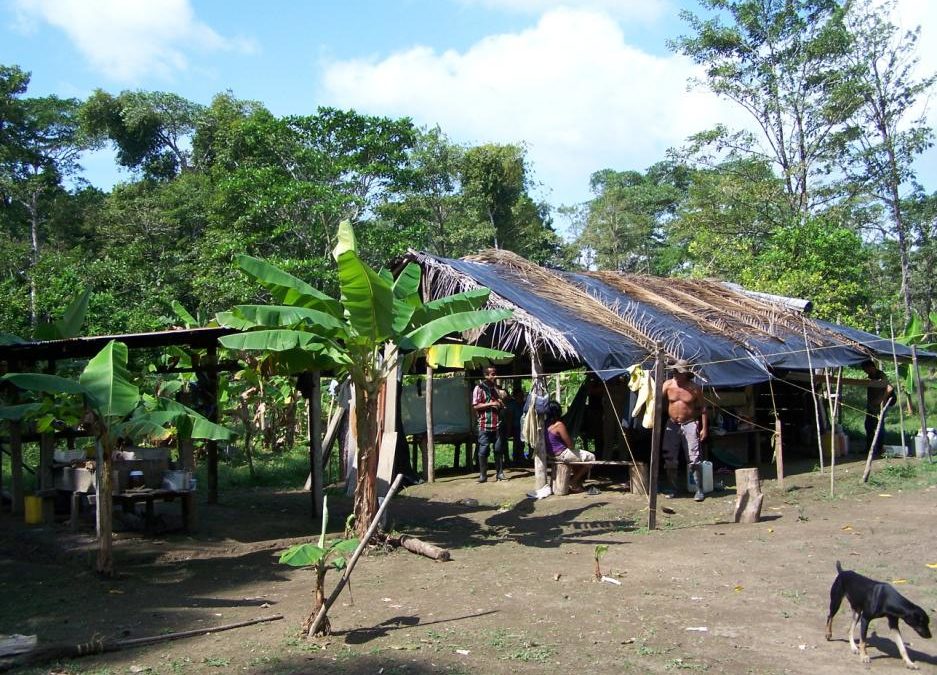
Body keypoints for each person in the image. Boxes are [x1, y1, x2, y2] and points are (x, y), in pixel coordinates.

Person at [661, 359, 708, 501]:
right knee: (670, 458)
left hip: (690, 423)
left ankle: (699, 489)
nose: (675, 374)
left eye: (678, 372)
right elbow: (656, 401)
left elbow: (703, 409)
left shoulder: (694, 388)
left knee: (694, 458)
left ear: (685, 374)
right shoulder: (668, 385)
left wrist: (704, 428)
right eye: (674, 371)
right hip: (672, 424)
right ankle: (673, 488)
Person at [544, 400, 595, 493]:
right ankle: (573, 482)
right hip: (561, 454)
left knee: (575, 459)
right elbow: (570, 444)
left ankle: (577, 481)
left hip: (551, 454)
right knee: (591, 457)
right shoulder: (558, 425)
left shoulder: (544, 424)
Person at [472, 366, 506, 482]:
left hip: (497, 424)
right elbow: (476, 406)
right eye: (492, 374)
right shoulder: (479, 388)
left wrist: (500, 403)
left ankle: (500, 473)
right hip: (484, 425)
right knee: (483, 450)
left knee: (498, 449)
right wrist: (491, 404)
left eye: (495, 373)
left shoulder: (496, 388)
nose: (494, 376)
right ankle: (483, 475)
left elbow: (502, 404)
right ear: (486, 375)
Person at [861, 360, 895, 457]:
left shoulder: (881, 375)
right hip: (871, 405)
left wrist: (881, 401)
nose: (865, 372)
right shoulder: (871, 376)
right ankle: (870, 449)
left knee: (879, 427)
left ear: (871, 367)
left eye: (866, 369)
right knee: (868, 426)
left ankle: (879, 449)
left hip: (879, 406)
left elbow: (889, 388)